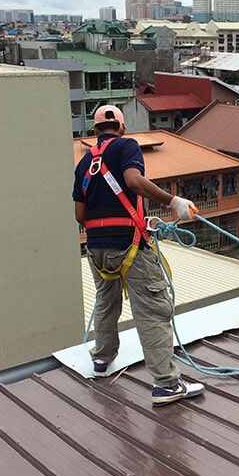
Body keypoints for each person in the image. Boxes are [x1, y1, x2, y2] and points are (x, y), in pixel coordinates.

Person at [73, 105, 205, 406]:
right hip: (129, 244)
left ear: (95, 131)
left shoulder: (83, 165)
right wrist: (174, 202)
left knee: (106, 303)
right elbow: (133, 181)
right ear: (121, 127)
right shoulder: (127, 145)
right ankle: (166, 384)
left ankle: (102, 360)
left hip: (96, 248)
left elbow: (79, 213)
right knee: (153, 310)